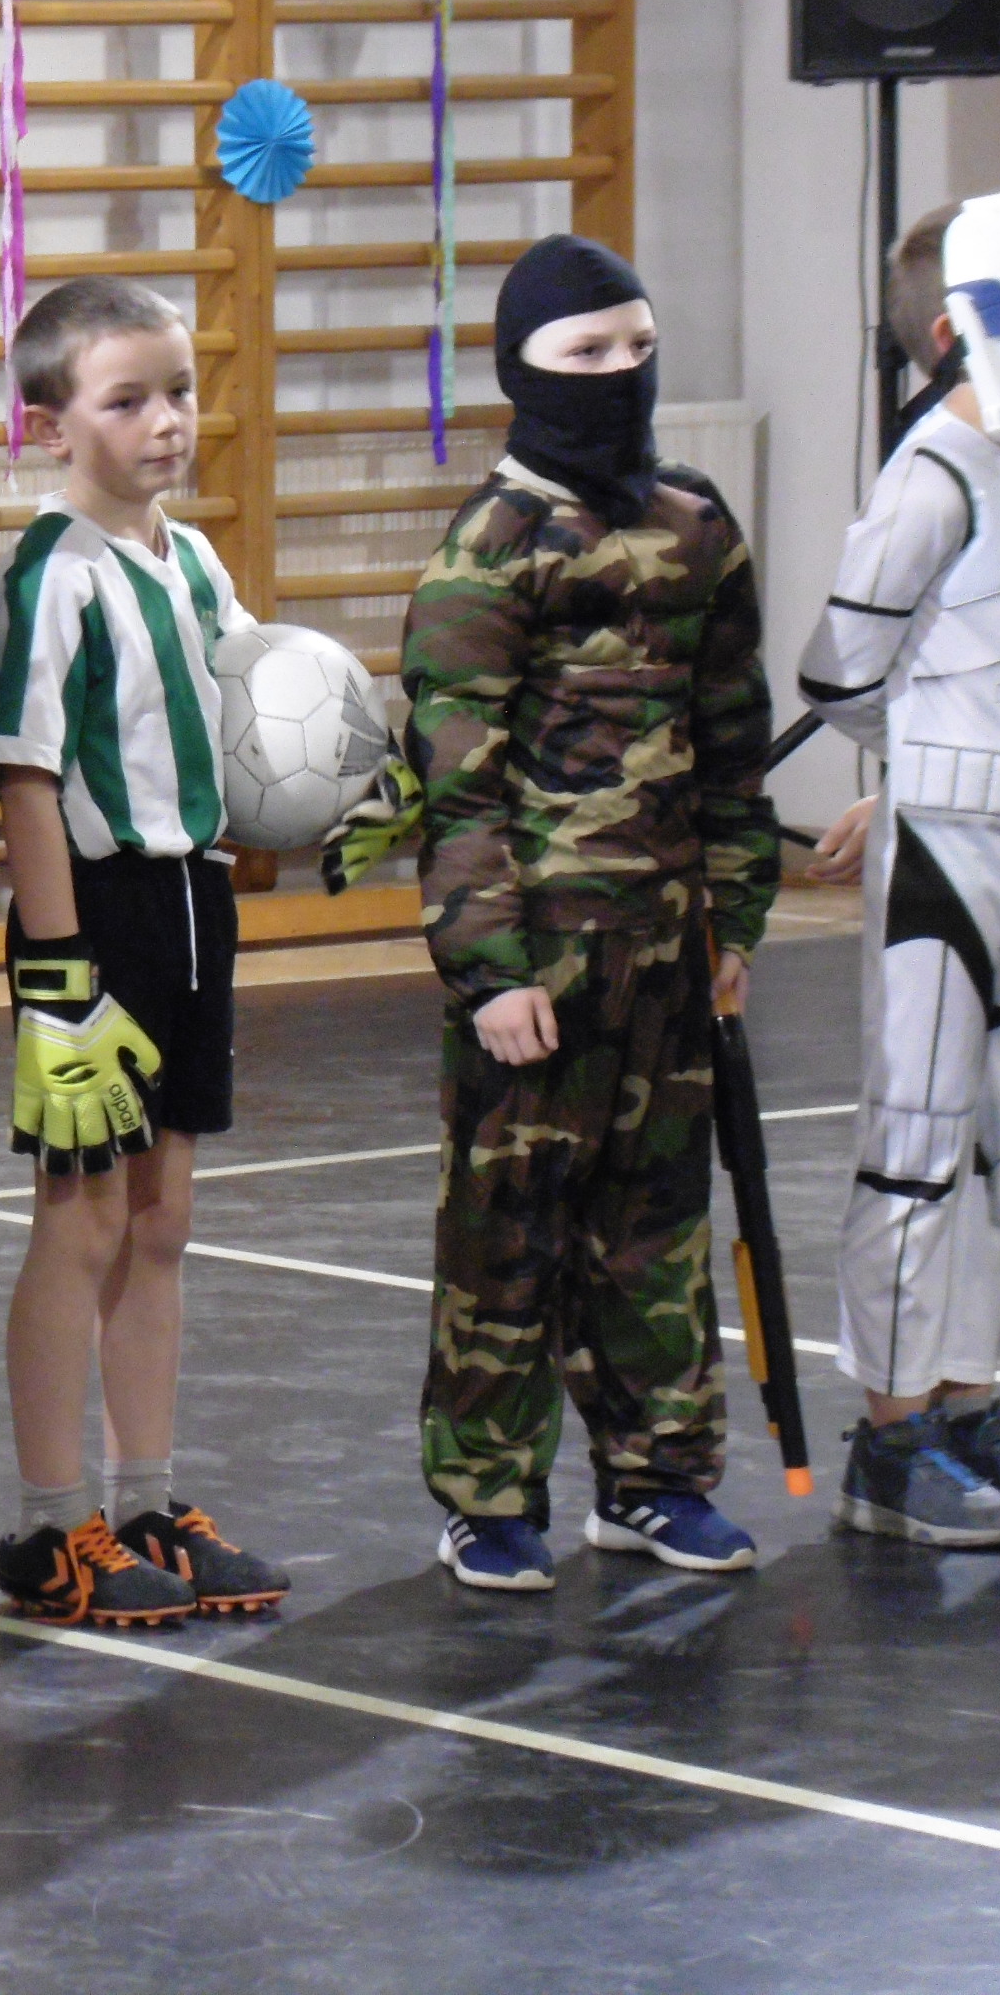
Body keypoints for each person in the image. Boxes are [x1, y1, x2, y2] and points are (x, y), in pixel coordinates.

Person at [405, 233, 781, 1591]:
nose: (620, 371)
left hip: (668, 952)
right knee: (509, 1227)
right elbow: (457, 786)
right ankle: (489, 1495)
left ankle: (657, 1480)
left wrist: (736, 919)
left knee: (657, 1227)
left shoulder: (696, 527)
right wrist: (490, 969)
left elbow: (734, 741)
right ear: (523, 369)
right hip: (540, 960)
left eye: (638, 346)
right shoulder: (486, 555)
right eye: (586, 352)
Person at [0, 278, 292, 1630]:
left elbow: (249, 714)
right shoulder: (55, 574)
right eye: (127, 400)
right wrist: (59, 983)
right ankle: (52, 1525)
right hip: (95, 920)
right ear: (52, 425)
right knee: (85, 1219)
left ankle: (146, 1501)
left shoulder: (196, 559)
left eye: (177, 391)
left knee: (162, 1222)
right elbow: (27, 779)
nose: (166, 420)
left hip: (193, 907)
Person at [797, 188, 1000, 1544]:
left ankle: (966, 1398)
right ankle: (892, 1435)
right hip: (954, 850)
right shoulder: (936, 468)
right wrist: (927, 773)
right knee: (921, 1141)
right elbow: (840, 668)